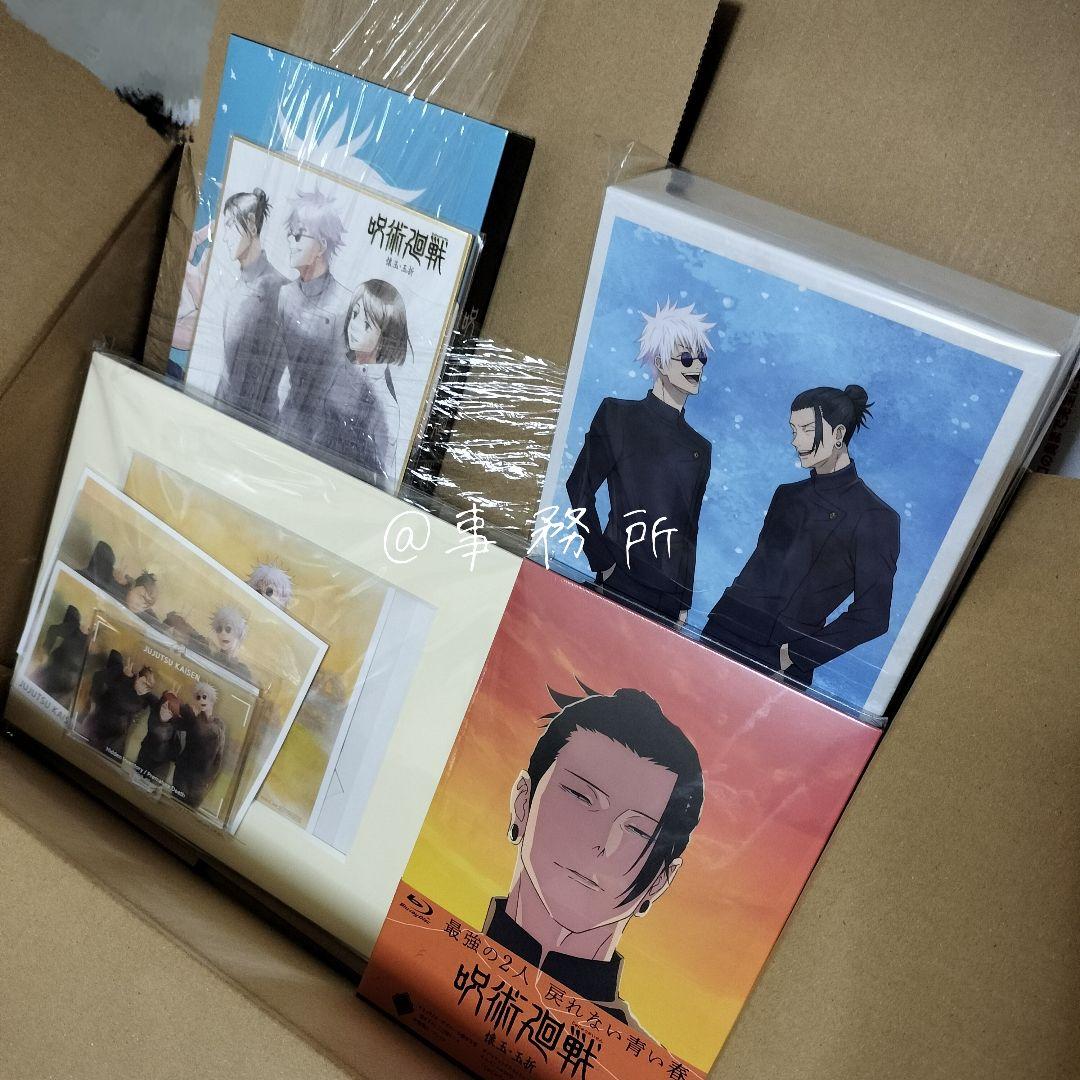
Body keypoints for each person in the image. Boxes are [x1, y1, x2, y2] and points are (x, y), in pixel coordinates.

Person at [483, 683, 703, 1032]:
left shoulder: (636, 1054)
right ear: (523, 803)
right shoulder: (421, 941)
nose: (601, 842)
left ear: (660, 881)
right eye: (579, 796)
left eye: (638, 830)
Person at [702, 384, 901, 685]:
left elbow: (873, 616)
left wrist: (796, 655)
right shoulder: (787, 495)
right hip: (723, 628)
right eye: (794, 430)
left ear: (838, 434)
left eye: (808, 430)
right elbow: (759, 568)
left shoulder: (875, 517)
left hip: (778, 657)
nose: (797, 441)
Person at [565, 301, 714, 624]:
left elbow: (689, 530)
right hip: (620, 578)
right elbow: (578, 487)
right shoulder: (618, 416)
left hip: (668, 599)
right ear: (660, 361)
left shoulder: (700, 448)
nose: (697, 366)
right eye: (686, 357)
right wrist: (602, 561)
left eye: (701, 357)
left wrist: (683, 600)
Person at [312, 278, 410, 486]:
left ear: (386, 338)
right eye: (355, 315)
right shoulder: (343, 366)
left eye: (366, 325)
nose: (354, 326)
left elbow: (383, 471)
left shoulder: (384, 402)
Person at [275, 190, 352, 440]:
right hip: (288, 420)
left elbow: (345, 382)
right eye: (290, 234)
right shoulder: (285, 295)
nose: (291, 241)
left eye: (299, 235)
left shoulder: (345, 303)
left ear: (322, 245)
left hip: (329, 433)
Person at [216, 188, 289, 422]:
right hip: (221, 413)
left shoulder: (278, 289)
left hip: (256, 425)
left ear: (250, 224)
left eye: (229, 225)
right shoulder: (237, 288)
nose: (225, 237)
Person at [78, 652, 157, 759]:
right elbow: (99, 676)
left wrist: (168, 698)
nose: (145, 688)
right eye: (144, 683)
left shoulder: (146, 696)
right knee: (83, 752)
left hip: (116, 735)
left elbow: (157, 706)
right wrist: (93, 703)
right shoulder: (123, 679)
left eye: (149, 687)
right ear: (138, 677)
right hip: (100, 722)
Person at [172, 682, 227, 810]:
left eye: (204, 696)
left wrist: (210, 777)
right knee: (175, 805)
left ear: (212, 700)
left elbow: (219, 754)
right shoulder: (192, 718)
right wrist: (173, 700)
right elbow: (176, 723)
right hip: (183, 772)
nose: (201, 700)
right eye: (198, 697)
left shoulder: (219, 725)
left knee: (191, 809)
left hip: (201, 779)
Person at [33, 604, 88, 705]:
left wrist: (46, 650)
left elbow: (53, 629)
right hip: (67, 679)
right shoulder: (84, 638)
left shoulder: (72, 627)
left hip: (57, 675)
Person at [134, 691, 184, 783]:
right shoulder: (155, 709)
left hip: (161, 763)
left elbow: (190, 724)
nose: (165, 712)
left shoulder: (176, 724)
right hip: (145, 755)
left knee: (151, 788)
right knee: (135, 780)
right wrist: (168, 694)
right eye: (164, 707)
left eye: (170, 712)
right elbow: (148, 695)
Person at [209, 606, 252, 682]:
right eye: (219, 629)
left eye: (228, 629)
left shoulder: (243, 671)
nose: (223, 633)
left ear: (238, 633)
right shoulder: (211, 657)